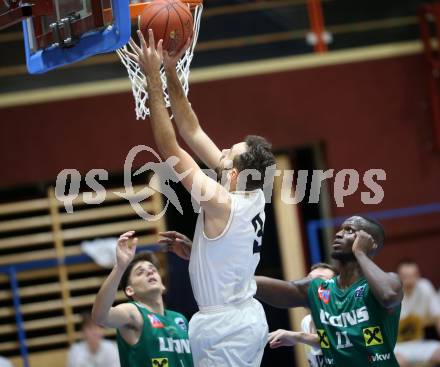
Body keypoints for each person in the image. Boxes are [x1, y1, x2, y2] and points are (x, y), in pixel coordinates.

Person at [124, 29, 276, 366]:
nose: (220, 151)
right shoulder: (252, 194)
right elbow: (192, 130)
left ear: (235, 174)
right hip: (235, 318)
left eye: (227, 154)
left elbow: (170, 148)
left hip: (229, 326)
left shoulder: (223, 201)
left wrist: (152, 78)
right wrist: (171, 71)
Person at [256, 216, 403, 366]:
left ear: (370, 243)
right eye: (341, 229)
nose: (339, 234)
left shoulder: (386, 282)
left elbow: (388, 296)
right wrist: (239, 281)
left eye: (349, 231)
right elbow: (281, 289)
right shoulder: (318, 288)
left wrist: (360, 253)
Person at [92, 231, 193, 367]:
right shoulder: (134, 313)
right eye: (140, 272)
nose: (149, 271)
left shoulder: (180, 319)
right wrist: (120, 267)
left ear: (162, 285)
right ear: (130, 290)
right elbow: (100, 317)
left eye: (152, 269)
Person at [267, 263, 337, 367]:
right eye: (308, 280)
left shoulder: (344, 316)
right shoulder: (306, 322)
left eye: (320, 281)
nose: (310, 286)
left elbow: (335, 341)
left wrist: (299, 336)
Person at [394, 260, 440, 367]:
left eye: (413, 275)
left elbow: (438, 317)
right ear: (398, 277)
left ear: (418, 275)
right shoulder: (391, 293)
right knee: (397, 363)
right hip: (398, 347)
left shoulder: (425, 287)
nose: (409, 280)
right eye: (405, 276)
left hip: (420, 344)